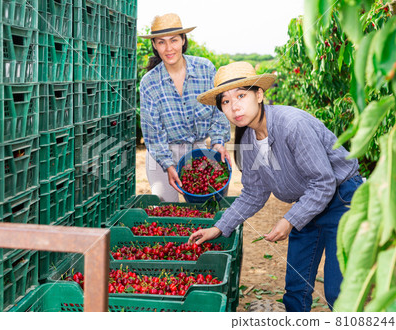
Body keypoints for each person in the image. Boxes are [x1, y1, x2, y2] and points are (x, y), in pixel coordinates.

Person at [188, 62, 362, 312]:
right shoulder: (248, 138)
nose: (234, 106)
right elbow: (254, 192)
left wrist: (290, 220)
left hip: (341, 200)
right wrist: (219, 227)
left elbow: (323, 183)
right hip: (308, 203)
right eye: (225, 102)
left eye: (241, 95)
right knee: (296, 289)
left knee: (339, 292)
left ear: (259, 95)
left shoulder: (291, 125)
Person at [139, 13, 231, 202]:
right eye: (161, 42)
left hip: (197, 150)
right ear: (155, 46)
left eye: (174, 40)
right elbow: (153, 134)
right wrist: (169, 166)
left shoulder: (205, 69)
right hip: (162, 153)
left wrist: (218, 142)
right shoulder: (149, 83)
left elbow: (218, 112)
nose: (168, 48)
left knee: (208, 208)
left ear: (183, 40)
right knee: (165, 205)